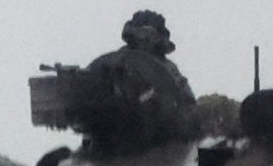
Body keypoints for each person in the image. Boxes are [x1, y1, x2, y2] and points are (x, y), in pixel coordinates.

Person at [79, 8, 199, 147]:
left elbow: (187, 101)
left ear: (159, 38)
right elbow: (92, 95)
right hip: (116, 141)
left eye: (151, 35)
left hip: (162, 140)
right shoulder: (117, 61)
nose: (146, 40)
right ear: (133, 34)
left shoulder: (169, 68)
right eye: (142, 34)